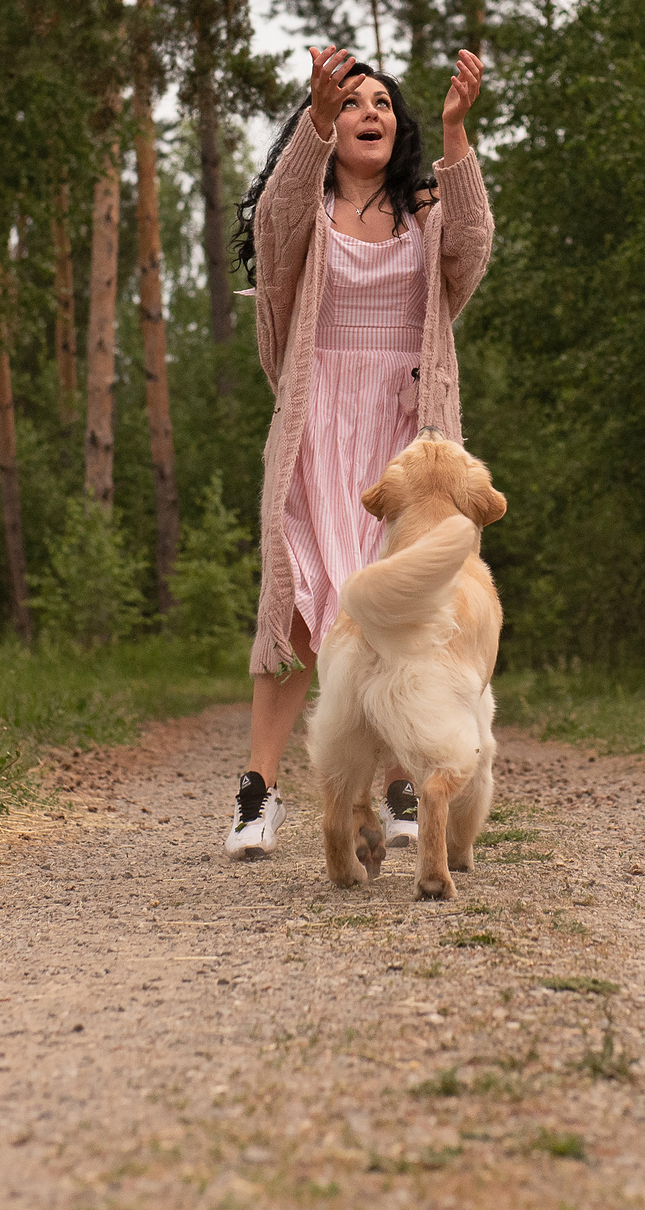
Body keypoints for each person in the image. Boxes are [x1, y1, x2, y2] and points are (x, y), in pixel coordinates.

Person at [224, 44, 492, 858]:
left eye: (382, 102)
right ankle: (258, 796)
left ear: (397, 125)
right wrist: (310, 116)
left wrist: (455, 136)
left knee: (400, 614)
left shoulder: (425, 210)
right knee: (304, 607)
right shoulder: (301, 209)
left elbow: (472, 250)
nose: (369, 112)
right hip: (317, 425)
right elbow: (271, 230)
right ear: (328, 124)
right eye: (352, 103)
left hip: (401, 445)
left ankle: (403, 783)